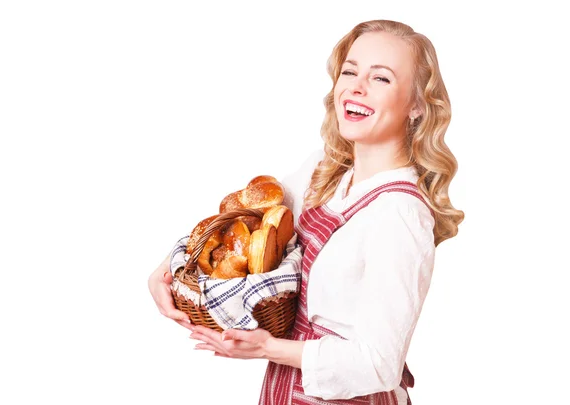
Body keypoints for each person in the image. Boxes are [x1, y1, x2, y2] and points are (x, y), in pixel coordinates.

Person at [148, 19, 464, 404]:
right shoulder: (322, 175)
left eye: (380, 78)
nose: (356, 87)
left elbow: (377, 363)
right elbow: (251, 222)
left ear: (416, 105)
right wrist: (170, 268)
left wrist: (268, 348)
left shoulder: (399, 213)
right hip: (285, 392)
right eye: (350, 71)